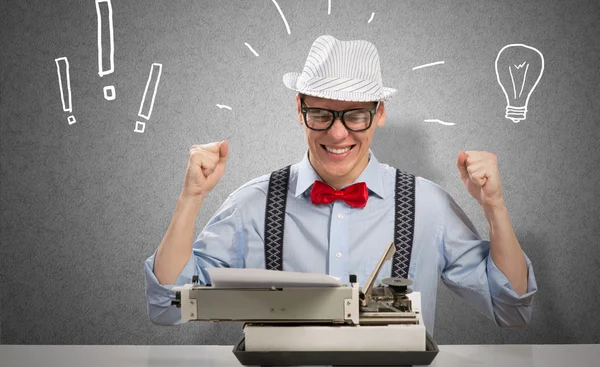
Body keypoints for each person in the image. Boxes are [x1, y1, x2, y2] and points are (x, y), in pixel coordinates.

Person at [144, 35, 537, 334]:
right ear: (299, 110)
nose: (336, 134)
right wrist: (190, 198)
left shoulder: (428, 205)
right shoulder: (252, 204)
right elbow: (168, 304)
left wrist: (495, 209)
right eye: (320, 113)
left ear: (379, 113)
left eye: (354, 116)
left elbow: (510, 307)